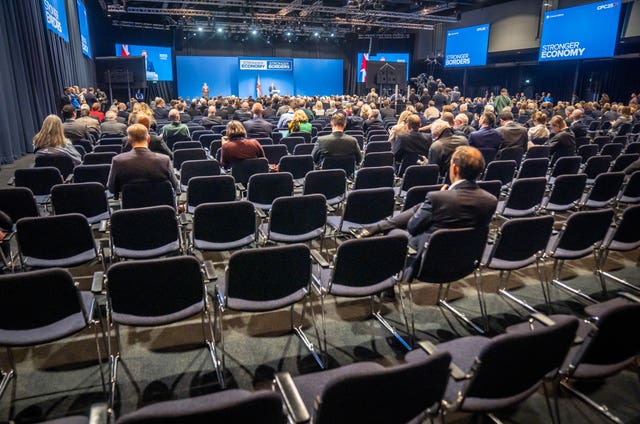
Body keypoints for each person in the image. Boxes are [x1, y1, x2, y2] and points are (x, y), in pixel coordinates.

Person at [357, 145, 497, 252]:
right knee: (420, 207)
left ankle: (389, 280)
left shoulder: (439, 198)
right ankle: (377, 226)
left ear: (455, 169)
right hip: (465, 255)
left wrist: (441, 197)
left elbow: (412, 227)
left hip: (430, 254)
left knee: (393, 232)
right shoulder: (490, 200)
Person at [107, 123, 178, 196]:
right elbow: (175, 185)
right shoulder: (164, 160)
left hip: (131, 206)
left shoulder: (117, 161)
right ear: (148, 138)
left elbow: (112, 188)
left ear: (129, 140)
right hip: (162, 205)